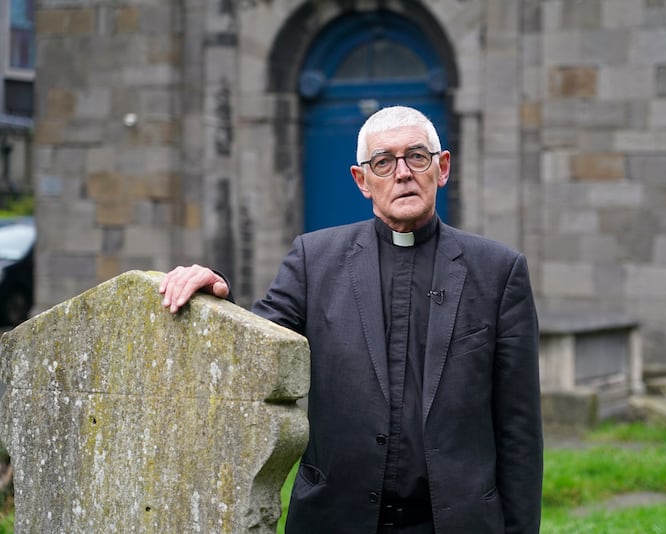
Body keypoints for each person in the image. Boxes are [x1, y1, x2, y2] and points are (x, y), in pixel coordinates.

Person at [159, 106, 543, 533]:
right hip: (337, 518)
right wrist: (216, 294)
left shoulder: (498, 270)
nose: (402, 173)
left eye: (417, 157)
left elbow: (519, 428)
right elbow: (256, 350)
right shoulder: (314, 259)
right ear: (362, 181)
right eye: (383, 162)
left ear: (443, 167)